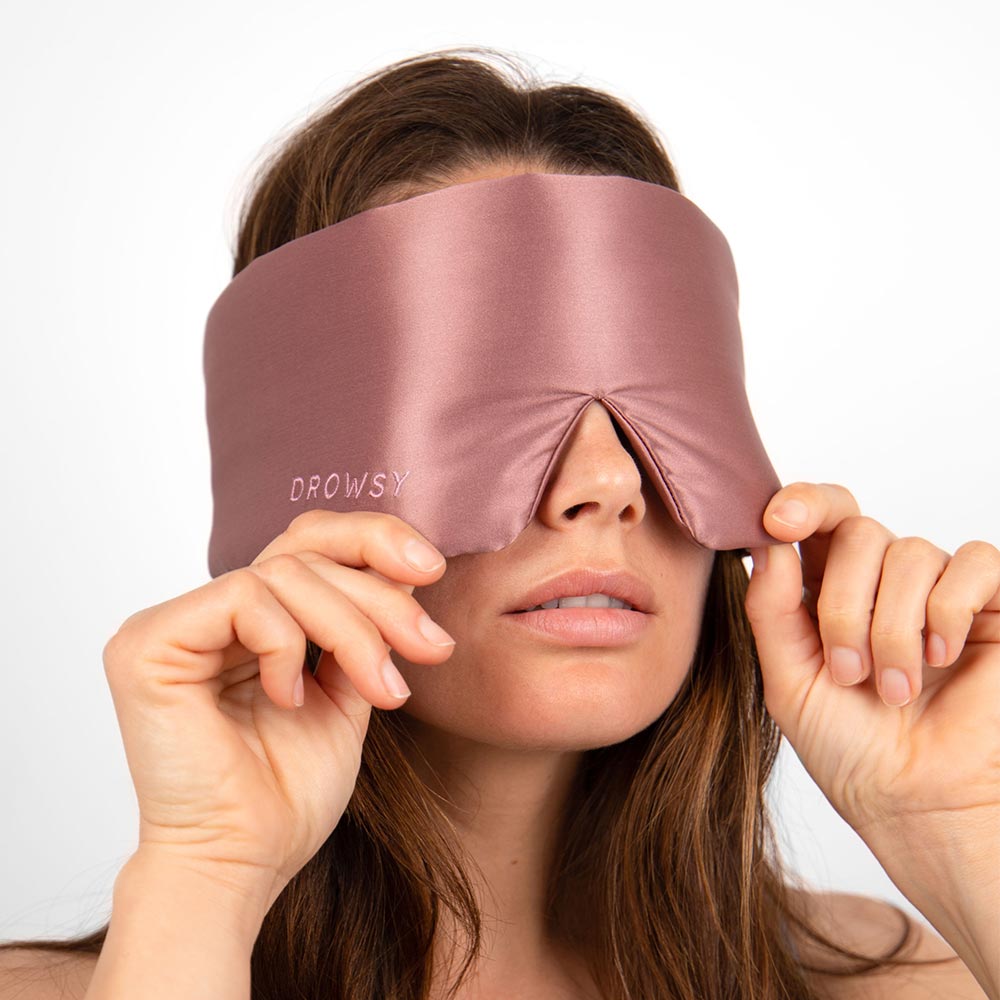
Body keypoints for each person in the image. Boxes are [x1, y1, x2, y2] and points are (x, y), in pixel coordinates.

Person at [1, 46, 996, 1000]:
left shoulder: (913, 981)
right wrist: (204, 873)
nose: (608, 484)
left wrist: (960, 826)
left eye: (659, 415)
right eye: (480, 407)